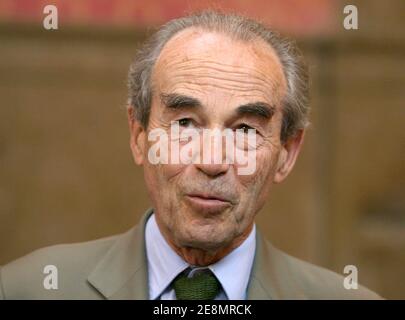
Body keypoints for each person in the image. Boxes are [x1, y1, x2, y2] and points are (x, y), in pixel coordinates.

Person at [0, 10, 381, 300]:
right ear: (139, 136)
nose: (212, 161)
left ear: (286, 153)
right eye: (185, 124)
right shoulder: (27, 290)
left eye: (245, 130)